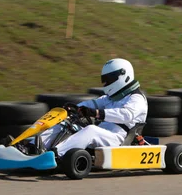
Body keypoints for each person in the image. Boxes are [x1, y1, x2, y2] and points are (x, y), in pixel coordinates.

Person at [20, 58, 148, 157]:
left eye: (110, 79)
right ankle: (31, 148)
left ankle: (55, 154)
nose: (106, 83)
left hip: (119, 138)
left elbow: (126, 115)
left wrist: (96, 113)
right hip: (103, 134)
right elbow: (93, 104)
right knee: (66, 124)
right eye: (105, 79)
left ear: (123, 75)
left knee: (91, 130)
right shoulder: (111, 97)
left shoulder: (137, 98)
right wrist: (75, 108)